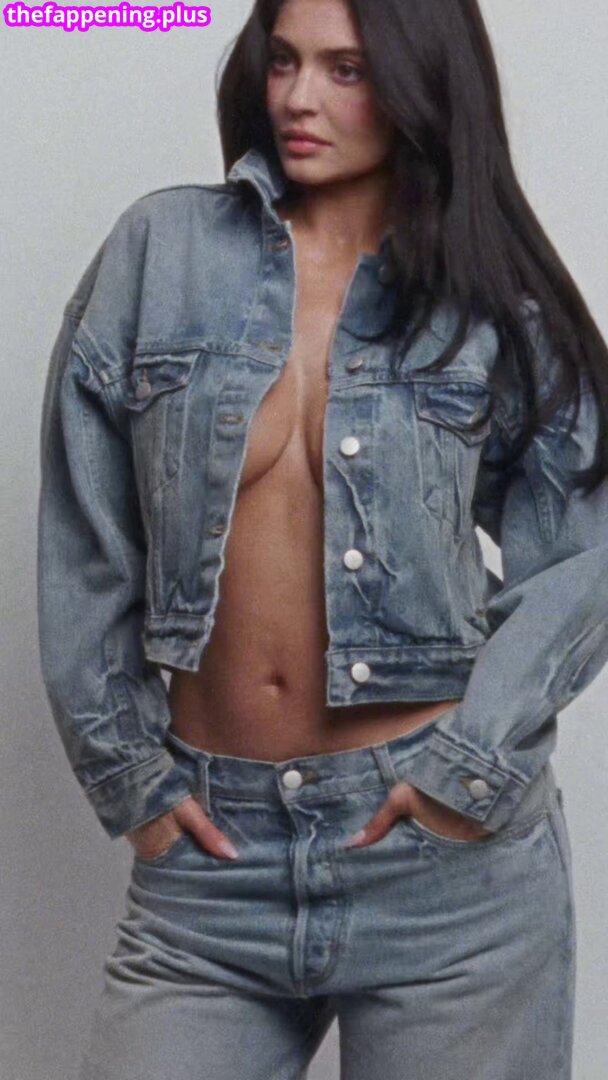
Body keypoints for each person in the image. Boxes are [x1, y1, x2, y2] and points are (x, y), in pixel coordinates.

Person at [37, 0, 608, 1077]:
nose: (299, 98)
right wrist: (133, 781)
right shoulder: (162, 252)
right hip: (209, 875)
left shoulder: (491, 296)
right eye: (285, 62)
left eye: (347, 70)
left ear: (422, 84)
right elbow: (85, 538)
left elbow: (584, 550)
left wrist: (468, 771)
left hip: (444, 879)